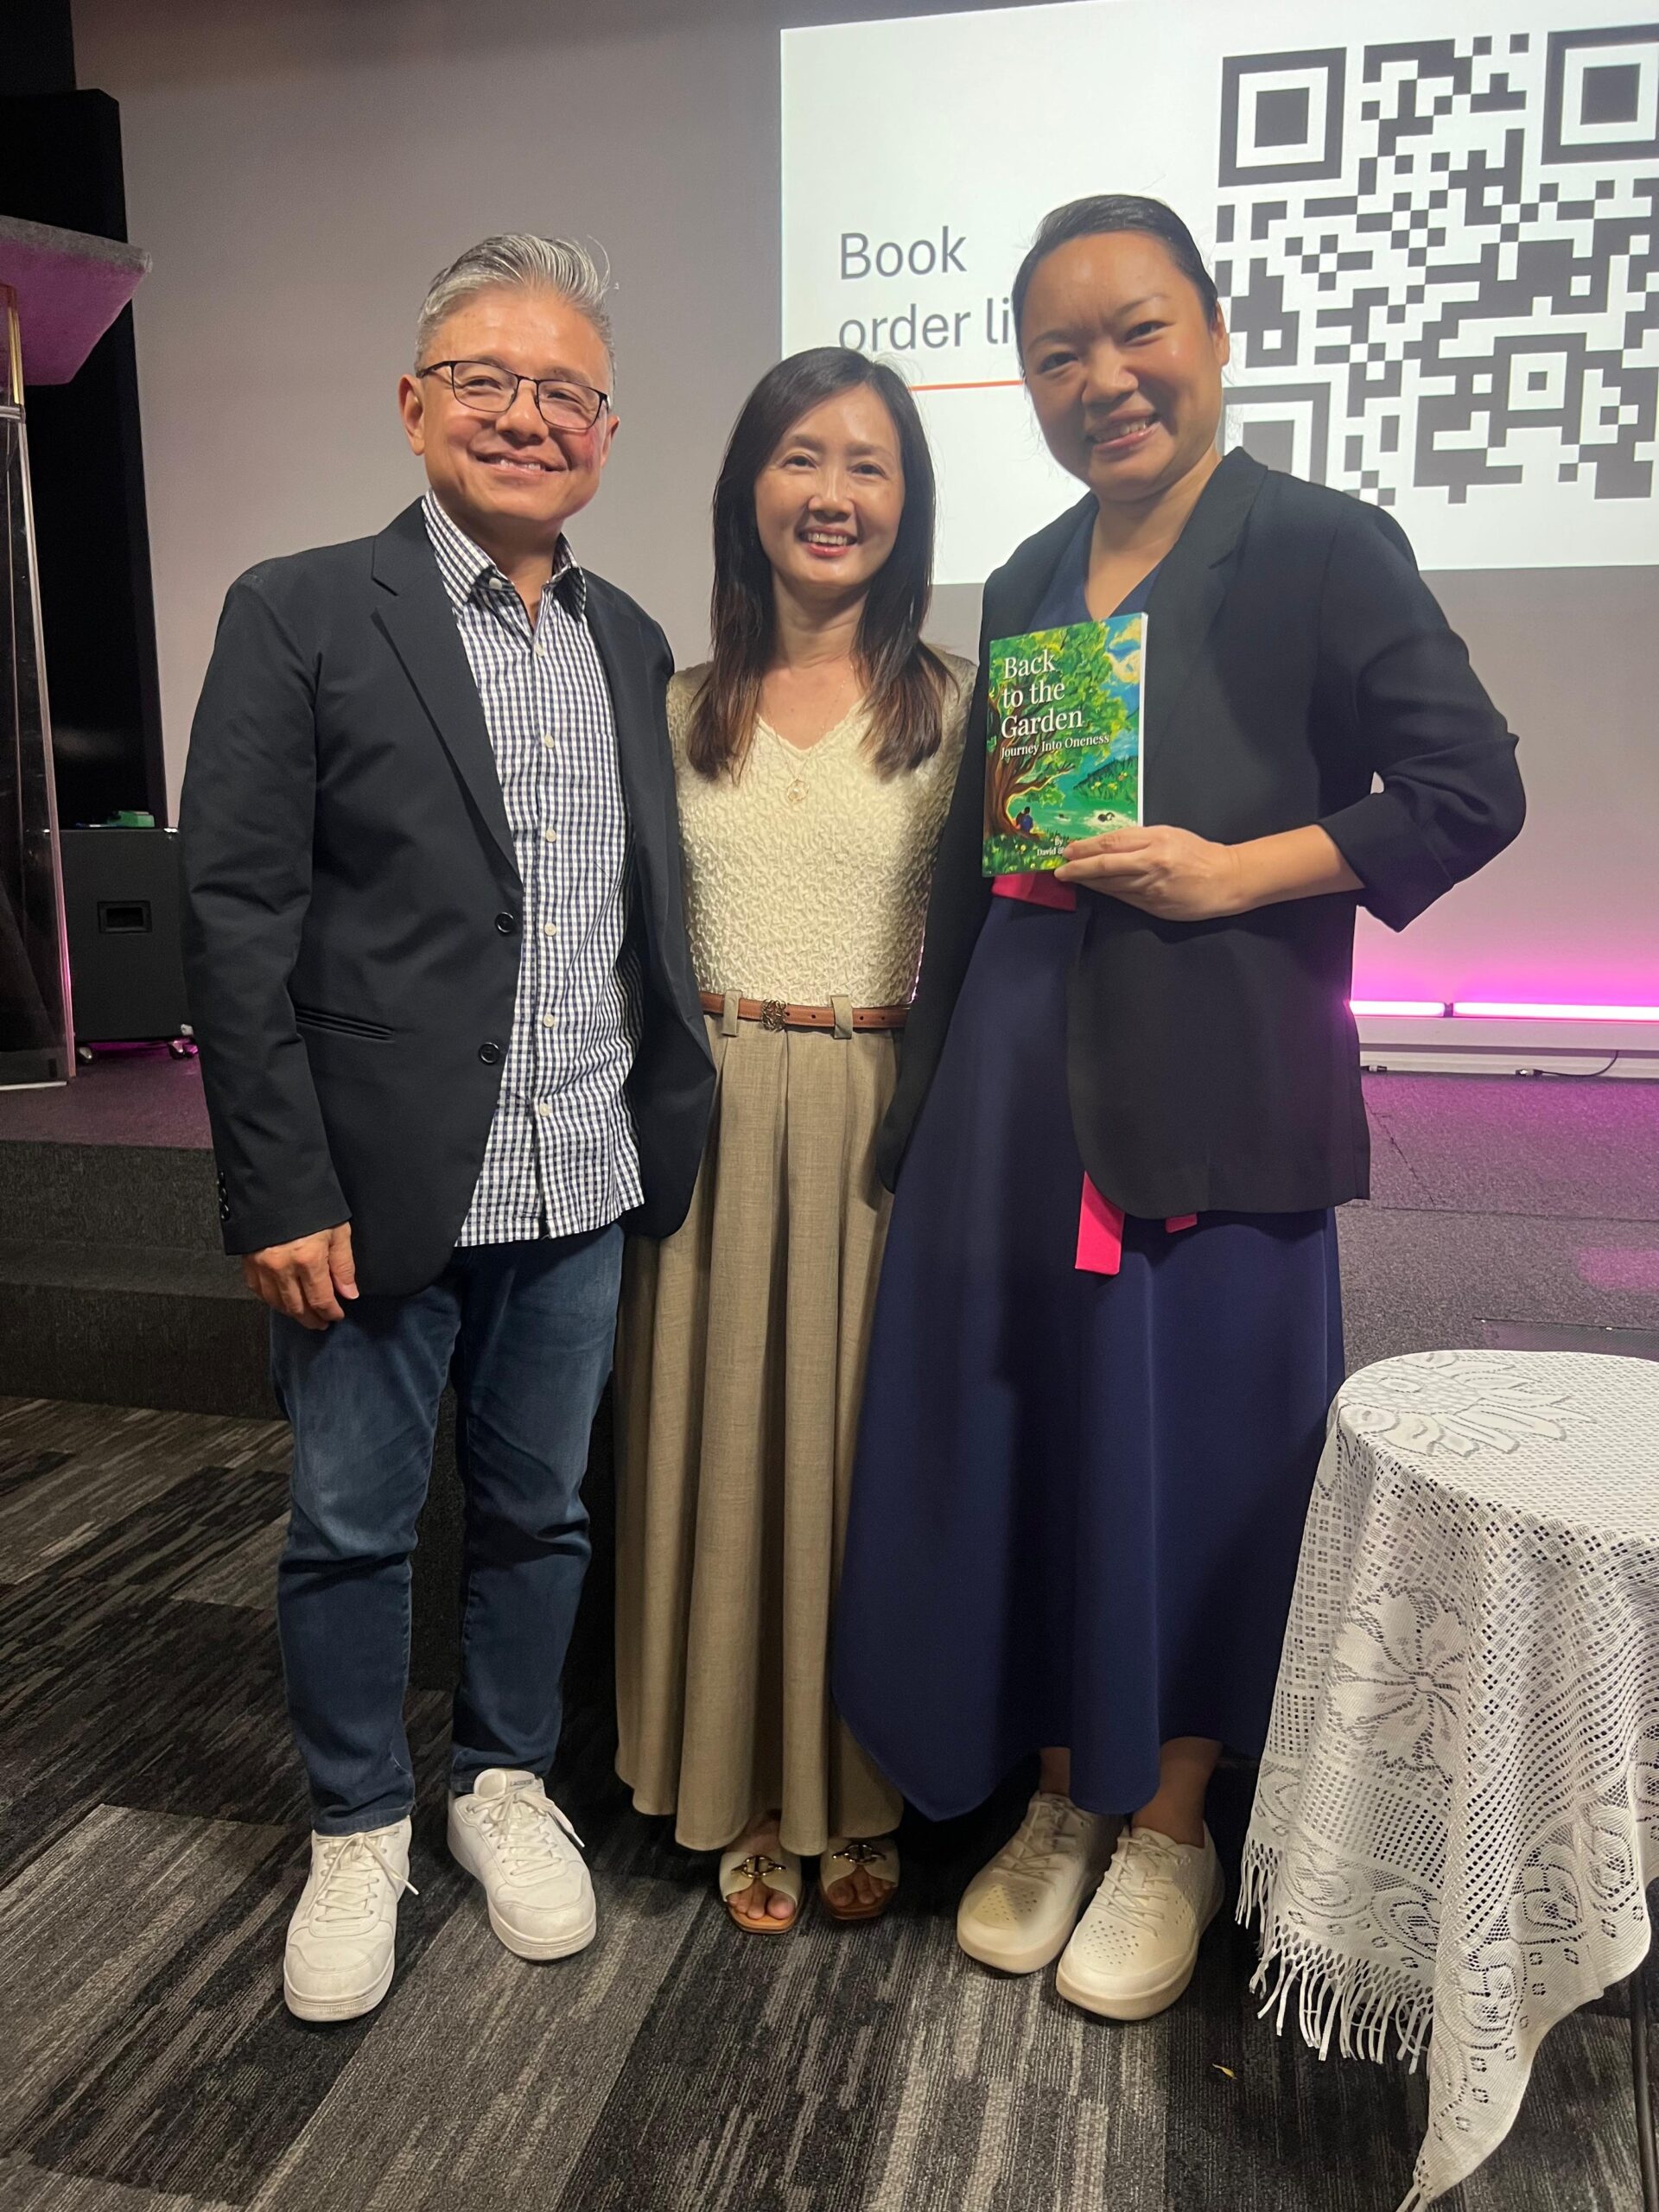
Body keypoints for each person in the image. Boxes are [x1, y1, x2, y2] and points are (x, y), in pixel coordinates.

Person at [834, 195, 1525, 2018]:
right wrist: (931, 1097)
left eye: (1139, 331)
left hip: (1219, 1074)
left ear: (1215, 334)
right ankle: (1069, 1790)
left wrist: (1237, 873)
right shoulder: (1028, 573)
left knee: (1209, 1450)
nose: (1105, 379)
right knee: (1050, 1435)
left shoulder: (1322, 544)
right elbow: (986, 852)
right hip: (1022, 1074)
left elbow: (1469, 787)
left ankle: (1173, 1824)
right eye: (1059, 353)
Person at [179, 235, 713, 2022]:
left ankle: (501, 1779)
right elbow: (234, 917)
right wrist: (277, 1181)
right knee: (349, 1524)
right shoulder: (301, 610)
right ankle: (354, 1821)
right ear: (416, 404)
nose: (525, 416)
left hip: (580, 1172)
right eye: (486, 380)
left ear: (607, 433)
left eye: (565, 391)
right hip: (372, 1186)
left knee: (541, 1511)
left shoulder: (629, 640)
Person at [613, 348, 973, 1932]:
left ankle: (853, 1786)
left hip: (882, 1115)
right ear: (747, 489)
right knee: (716, 1455)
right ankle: (739, 1785)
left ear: (910, 502)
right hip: (706, 1108)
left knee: (852, 1461)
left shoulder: (966, 704)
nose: (834, 494)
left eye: (869, 464)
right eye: (801, 458)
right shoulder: (669, 707)